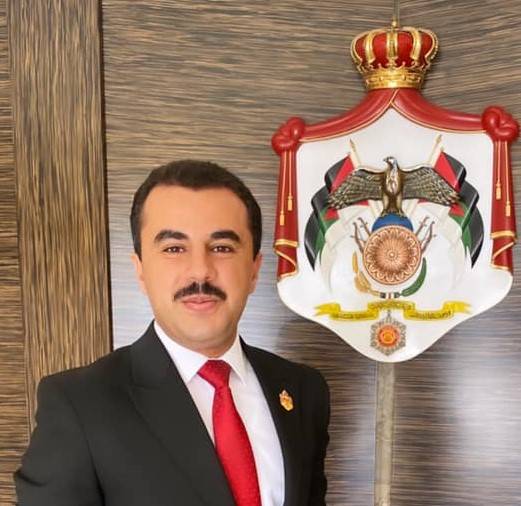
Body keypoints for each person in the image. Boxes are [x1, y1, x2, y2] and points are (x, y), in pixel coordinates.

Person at [15, 160, 330, 506]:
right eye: (174, 248)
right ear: (140, 269)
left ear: (254, 270)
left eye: (222, 247)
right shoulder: (79, 404)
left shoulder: (303, 391)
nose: (200, 271)